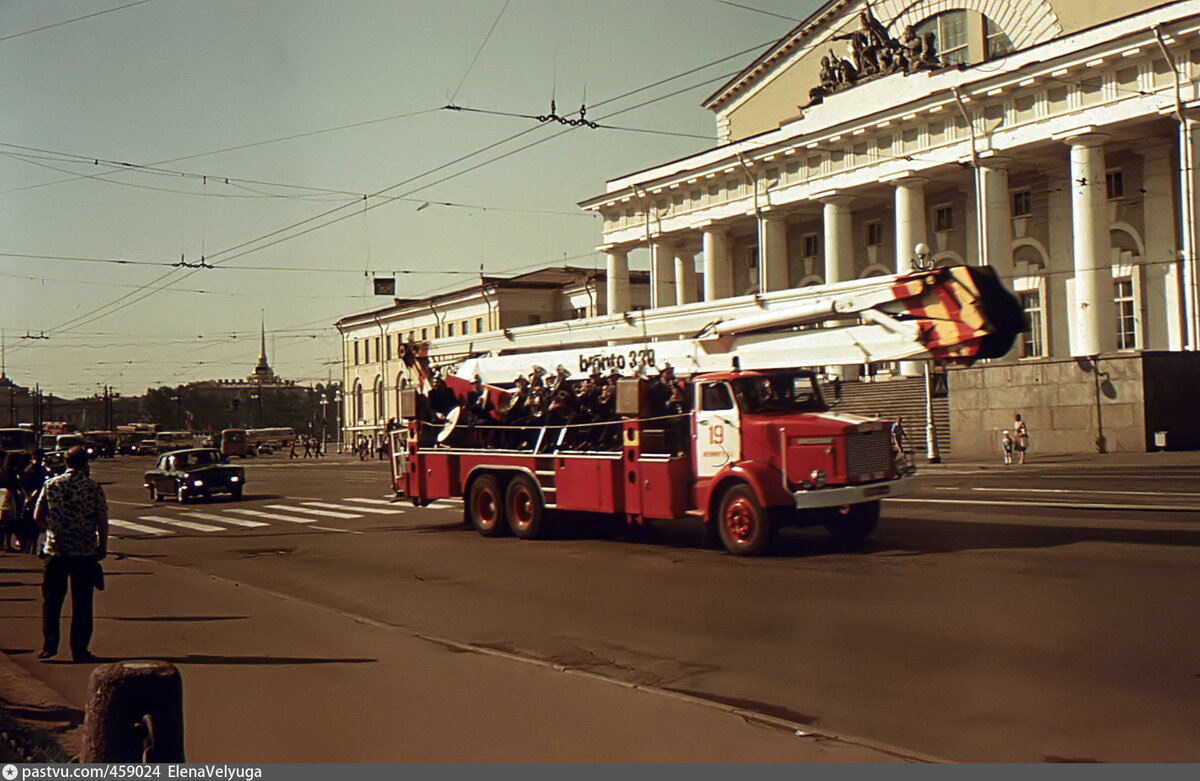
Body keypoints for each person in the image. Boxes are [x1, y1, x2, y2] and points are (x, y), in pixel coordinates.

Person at [33, 446, 108, 662]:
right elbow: (102, 520)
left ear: (65, 463)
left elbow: (38, 516)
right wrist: (101, 546)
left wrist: (53, 530)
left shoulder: (51, 484)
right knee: (82, 603)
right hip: (84, 552)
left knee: (52, 600)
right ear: (85, 464)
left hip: (56, 551)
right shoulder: (92, 487)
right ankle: (79, 650)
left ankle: (49, 646)